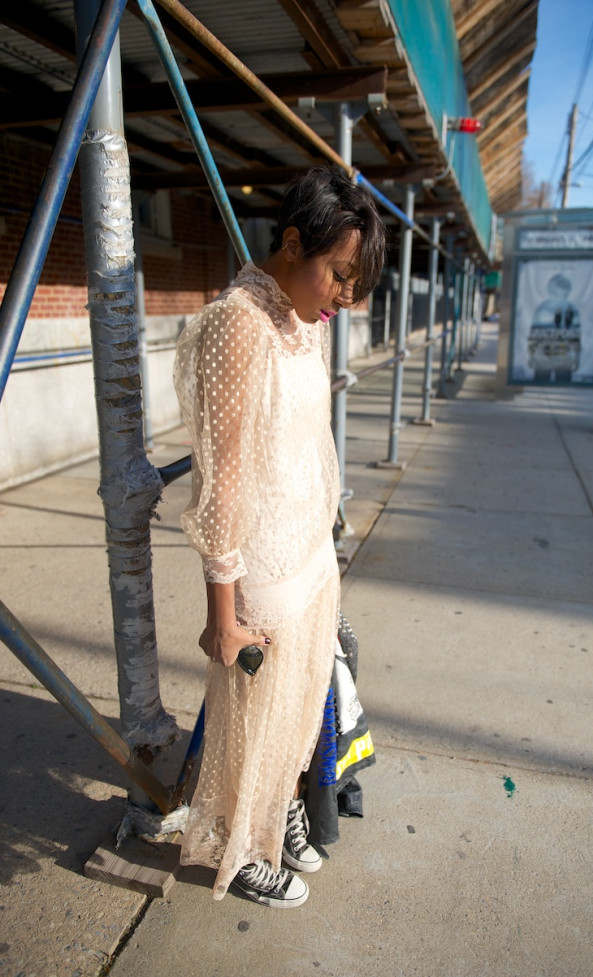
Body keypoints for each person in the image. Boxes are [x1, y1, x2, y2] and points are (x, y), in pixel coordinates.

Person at [173, 165, 385, 908]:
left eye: (353, 280)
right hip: (260, 561)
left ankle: (282, 812)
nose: (345, 296)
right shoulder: (238, 322)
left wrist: (328, 538)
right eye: (338, 274)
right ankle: (241, 842)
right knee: (252, 727)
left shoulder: (301, 319)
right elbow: (221, 480)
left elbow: (309, 440)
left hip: (308, 551)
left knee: (298, 716)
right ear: (293, 243)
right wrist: (221, 611)